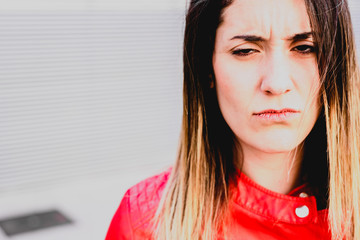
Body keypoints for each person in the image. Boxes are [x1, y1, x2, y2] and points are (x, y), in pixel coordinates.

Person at [106, 0, 360, 239]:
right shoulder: (146, 223)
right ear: (207, 67)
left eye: (305, 48)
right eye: (246, 50)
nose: (276, 83)